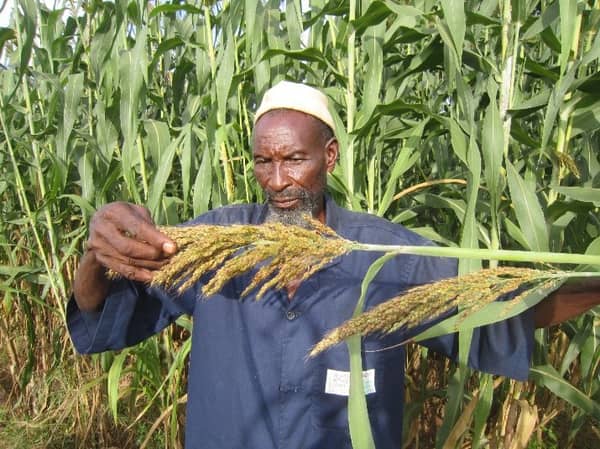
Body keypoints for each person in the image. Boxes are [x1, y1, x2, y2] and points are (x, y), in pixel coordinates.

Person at [68, 81, 600, 449]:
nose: (277, 182)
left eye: (294, 160)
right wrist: (98, 255)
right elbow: (104, 315)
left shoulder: (385, 254)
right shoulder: (216, 243)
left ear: (330, 155)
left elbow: (502, 304)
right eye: (263, 161)